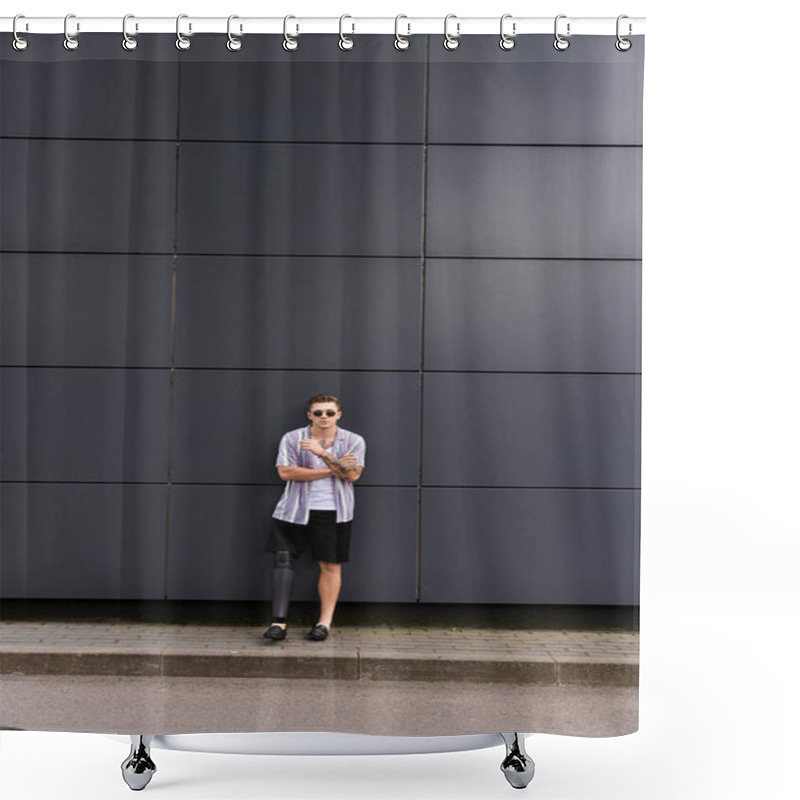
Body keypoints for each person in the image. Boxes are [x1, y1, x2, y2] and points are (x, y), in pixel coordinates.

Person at [263, 394, 365, 642]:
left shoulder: (353, 440)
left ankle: (324, 623)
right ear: (309, 415)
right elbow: (286, 472)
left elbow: (353, 476)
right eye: (318, 412)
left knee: (330, 565)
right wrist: (335, 468)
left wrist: (322, 453)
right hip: (293, 509)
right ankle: (278, 622)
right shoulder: (293, 438)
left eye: (330, 413)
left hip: (335, 511)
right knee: (283, 559)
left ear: (338, 415)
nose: (324, 417)